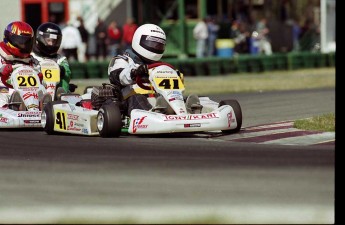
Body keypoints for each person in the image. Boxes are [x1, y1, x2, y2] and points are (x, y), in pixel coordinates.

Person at [107, 24, 167, 116]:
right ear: (138, 40)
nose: (155, 47)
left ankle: (188, 110)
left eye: (159, 45)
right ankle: (152, 115)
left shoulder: (159, 65)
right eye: (152, 43)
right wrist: (134, 72)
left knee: (173, 97)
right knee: (137, 98)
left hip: (156, 98)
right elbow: (118, 76)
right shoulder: (124, 60)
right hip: (129, 98)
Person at [0, 21, 42, 107]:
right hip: (5, 90)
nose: (24, 45)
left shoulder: (32, 60)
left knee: (43, 90)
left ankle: (44, 105)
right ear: (8, 39)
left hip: (29, 95)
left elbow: (40, 78)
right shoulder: (1, 55)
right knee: (4, 93)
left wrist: (40, 76)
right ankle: (12, 106)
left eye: (27, 42)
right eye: (21, 42)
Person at [31, 22, 71, 93]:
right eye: (48, 40)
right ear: (40, 38)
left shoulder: (61, 59)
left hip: (58, 93)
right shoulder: (32, 56)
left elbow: (67, 72)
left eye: (54, 41)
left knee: (65, 77)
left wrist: (61, 69)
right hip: (37, 92)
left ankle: (62, 94)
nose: (51, 44)